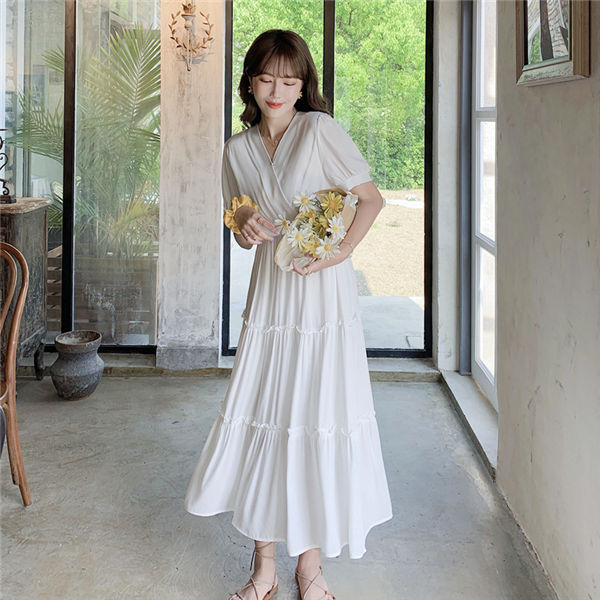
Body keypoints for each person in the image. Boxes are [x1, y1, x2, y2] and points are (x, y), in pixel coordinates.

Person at [184, 29, 393, 600]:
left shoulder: (320, 130)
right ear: (250, 82)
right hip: (272, 295)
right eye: (267, 78)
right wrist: (244, 225)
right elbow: (240, 224)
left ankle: (310, 568)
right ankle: (264, 568)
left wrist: (340, 252)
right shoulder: (236, 150)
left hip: (323, 295)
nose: (277, 91)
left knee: (316, 413)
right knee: (266, 412)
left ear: (304, 86)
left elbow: (371, 199)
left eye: (289, 80)